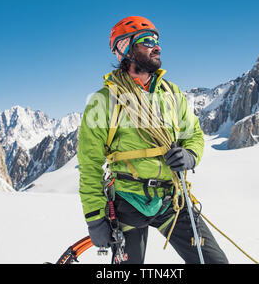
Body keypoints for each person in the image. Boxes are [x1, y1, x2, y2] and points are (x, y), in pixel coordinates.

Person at [77, 16, 228, 264]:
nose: (156, 46)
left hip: (171, 200)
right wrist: (95, 216)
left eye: (157, 40)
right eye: (147, 41)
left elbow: (194, 135)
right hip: (127, 202)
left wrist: (190, 155)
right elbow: (89, 163)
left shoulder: (171, 93)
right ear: (125, 48)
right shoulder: (103, 101)